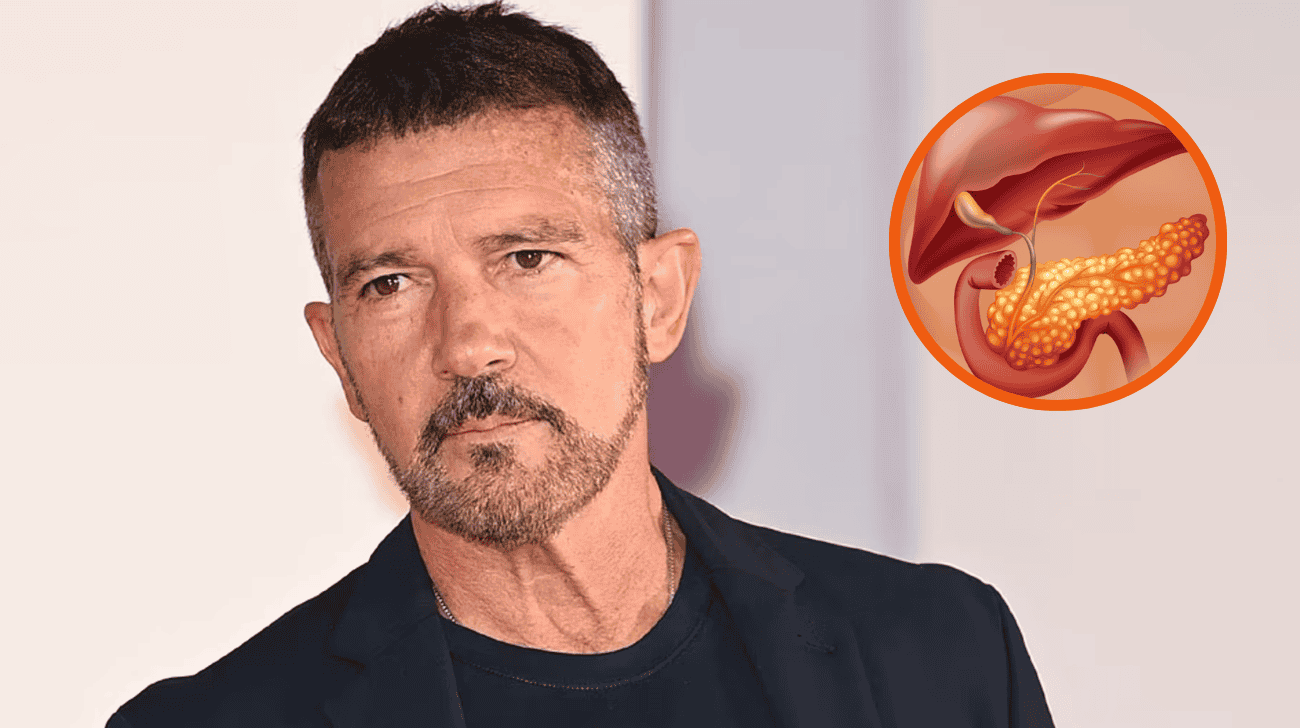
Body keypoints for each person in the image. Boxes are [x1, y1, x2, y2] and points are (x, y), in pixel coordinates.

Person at [109, 3, 1054, 726]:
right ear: (342, 360)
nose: (467, 343)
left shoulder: (944, 659)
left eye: (527, 259)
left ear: (658, 297)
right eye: (391, 284)